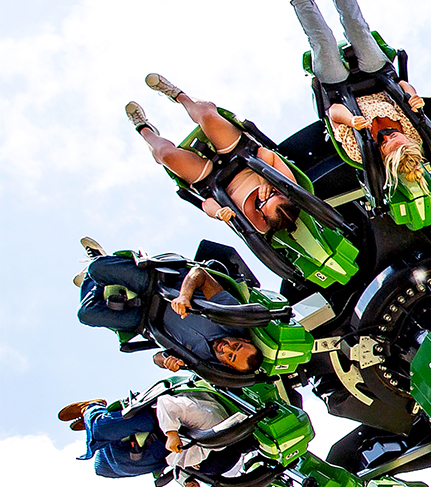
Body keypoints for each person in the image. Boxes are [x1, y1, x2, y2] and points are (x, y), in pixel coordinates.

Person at [273, 0, 431, 199]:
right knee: (357, 25)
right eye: (396, 139)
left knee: (322, 37)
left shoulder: (361, 151)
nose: (389, 137)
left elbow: (332, 113)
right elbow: (403, 86)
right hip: (377, 76)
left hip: (339, 89)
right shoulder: (414, 132)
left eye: (386, 144)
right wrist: (412, 96)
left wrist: (352, 120)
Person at [125, 78, 296, 234]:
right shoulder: (287, 188)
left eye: (263, 203)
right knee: (208, 116)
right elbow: (266, 153)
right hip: (240, 154)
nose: (265, 196)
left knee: (166, 155)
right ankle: (178, 95)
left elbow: (206, 204)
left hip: (210, 179)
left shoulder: (256, 224)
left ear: (262, 216)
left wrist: (219, 213)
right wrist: (266, 181)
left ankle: (143, 128)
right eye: (272, 195)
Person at [75, 244, 261, 374]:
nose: (226, 348)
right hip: (160, 286)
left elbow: (156, 357)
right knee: (96, 267)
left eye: (230, 357)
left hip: (146, 319)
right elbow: (200, 274)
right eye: (236, 346)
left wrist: (165, 362)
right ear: (243, 339)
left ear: (227, 365)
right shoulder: (232, 318)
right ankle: (100, 266)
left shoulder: (205, 361)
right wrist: (185, 296)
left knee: (86, 314)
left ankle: (95, 282)